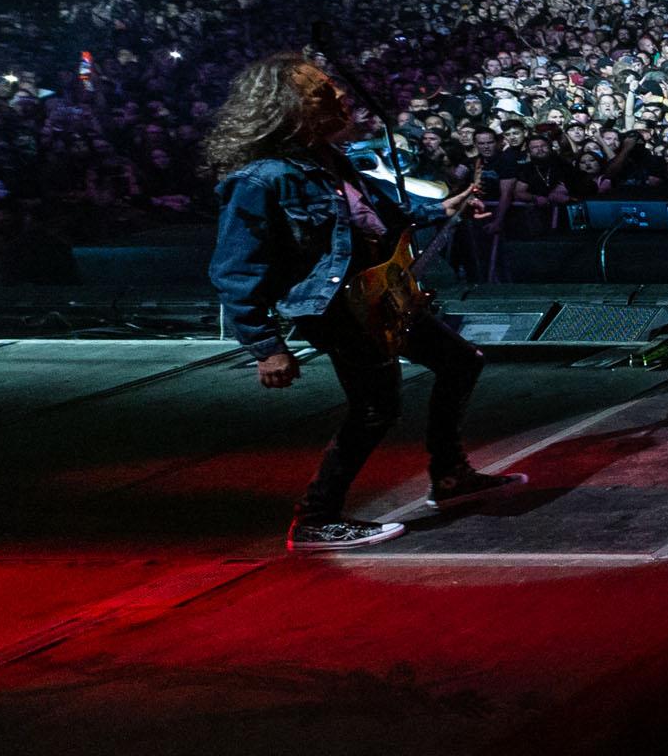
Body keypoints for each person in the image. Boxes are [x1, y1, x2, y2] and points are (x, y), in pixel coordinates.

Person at [205, 54, 523, 551]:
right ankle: (315, 518)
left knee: (460, 362)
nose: (340, 96)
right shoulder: (261, 180)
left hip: (380, 297)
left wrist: (445, 206)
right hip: (337, 309)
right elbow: (235, 270)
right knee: (376, 407)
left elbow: (382, 212)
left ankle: (451, 475)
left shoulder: (333, 159)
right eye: (322, 92)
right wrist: (266, 347)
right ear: (289, 108)